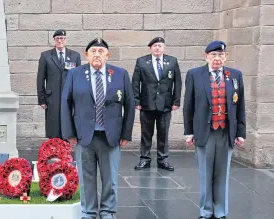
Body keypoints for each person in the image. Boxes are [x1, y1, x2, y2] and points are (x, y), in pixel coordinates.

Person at [61, 38, 135, 219]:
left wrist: (126, 133)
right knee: (87, 178)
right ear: (87, 55)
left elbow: (130, 105)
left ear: (107, 55)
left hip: (111, 136)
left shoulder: (120, 74)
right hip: (84, 135)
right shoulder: (75, 74)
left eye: (101, 51)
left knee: (110, 179)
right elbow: (65, 103)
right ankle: (88, 211)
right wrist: (69, 133)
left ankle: (108, 211)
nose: (97, 54)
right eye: (93, 51)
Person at [184, 40, 246, 219]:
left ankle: (220, 211)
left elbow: (240, 105)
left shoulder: (235, 75)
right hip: (205, 131)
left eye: (221, 55)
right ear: (206, 56)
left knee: (222, 174)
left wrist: (240, 133)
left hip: (226, 131)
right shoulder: (195, 74)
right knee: (205, 173)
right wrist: (189, 132)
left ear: (226, 57)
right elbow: (189, 105)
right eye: (213, 55)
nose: (217, 59)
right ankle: (206, 211)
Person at [132, 37, 182, 171]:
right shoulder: (142, 61)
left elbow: (177, 82)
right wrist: (136, 101)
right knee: (146, 133)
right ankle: (144, 159)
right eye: (155, 46)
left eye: (160, 45)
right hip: (146, 104)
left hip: (165, 104)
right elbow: (136, 82)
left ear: (164, 47)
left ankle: (163, 159)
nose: (157, 48)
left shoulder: (172, 61)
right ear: (150, 48)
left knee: (163, 133)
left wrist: (176, 101)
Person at [37, 29, 81, 139]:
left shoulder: (75, 56)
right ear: (54, 40)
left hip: (69, 96)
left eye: (62, 38)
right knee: (53, 124)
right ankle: (53, 149)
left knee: (68, 123)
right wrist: (41, 99)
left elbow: (78, 78)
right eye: (57, 38)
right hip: (52, 97)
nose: (60, 41)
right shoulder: (46, 56)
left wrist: (79, 98)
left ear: (65, 40)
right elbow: (40, 79)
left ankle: (65, 152)